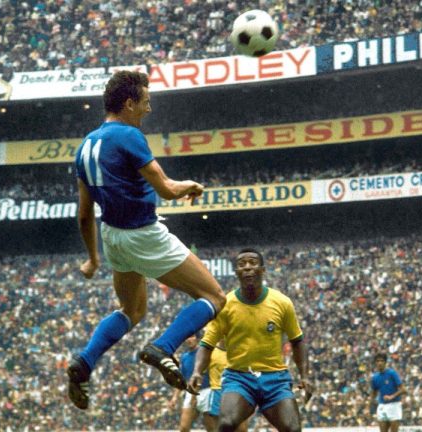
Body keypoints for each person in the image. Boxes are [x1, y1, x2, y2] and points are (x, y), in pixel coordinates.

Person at [67, 70, 227, 410]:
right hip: (143, 234)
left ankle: (84, 362)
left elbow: (83, 214)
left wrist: (93, 258)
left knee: (132, 310)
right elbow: (166, 189)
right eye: (146, 101)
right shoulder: (129, 136)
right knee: (214, 297)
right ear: (129, 103)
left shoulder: (84, 147)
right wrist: (191, 186)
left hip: (112, 237)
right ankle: (163, 347)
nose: (149, 109)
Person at [190, 248, 312, 432]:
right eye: (242, 264)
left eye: (253, 263)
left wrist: (305, 376)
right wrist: (197, 372)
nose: (247, 267)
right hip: (239, 378)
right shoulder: (225, 305)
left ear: (262, 270)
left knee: (293, 429)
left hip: (275, 379)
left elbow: (297, 341)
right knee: (226, 424)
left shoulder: (282, 302)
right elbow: (206, 344)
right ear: (236, 272)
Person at [370, 353, 406, 432]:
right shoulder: (374, 377)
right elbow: (374, 393)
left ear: (385, 362)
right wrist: (369, 405)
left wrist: (392, 396)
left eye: (382, 361)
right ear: (375, 363)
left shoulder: (392, 373)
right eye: (377, 361)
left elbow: (403, 390)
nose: (379, 363)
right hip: (382, 406)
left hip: (394, 405)